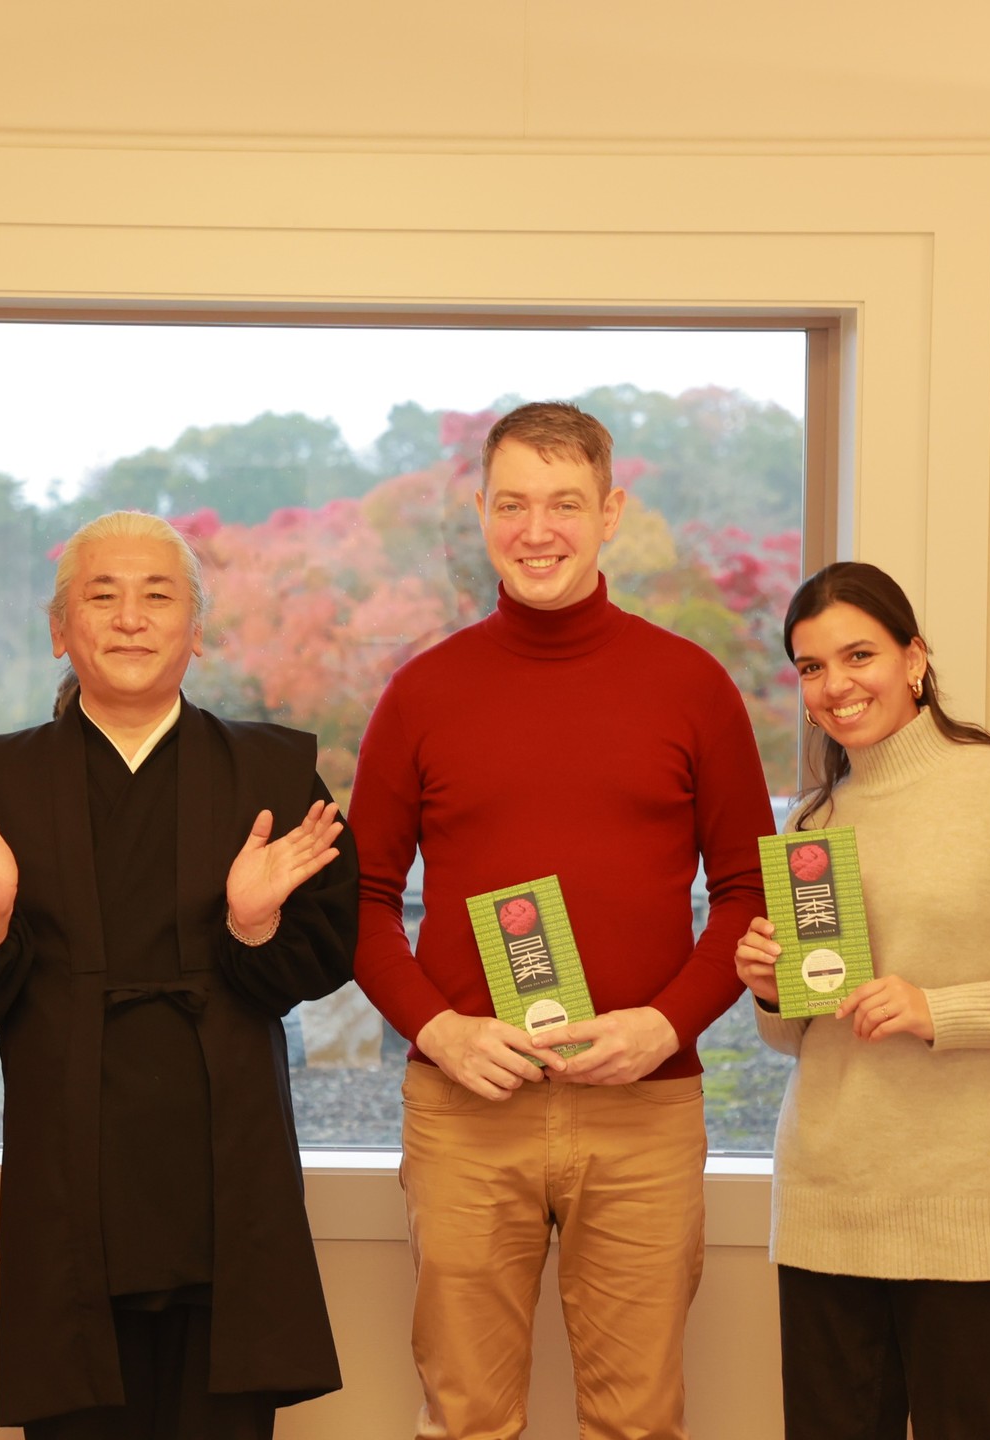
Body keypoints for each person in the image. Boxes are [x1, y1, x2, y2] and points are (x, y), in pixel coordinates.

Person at [350, 401, 774, 1440]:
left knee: (638, 1421)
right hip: (467, 1104)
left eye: (565, 504)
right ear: (483, 513)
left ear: (610, 510)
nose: (537, 529)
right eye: (513, 504)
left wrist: (666, 1025)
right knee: (466, 1418)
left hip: (646, 1109)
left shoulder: (694, 687)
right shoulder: (421, 693)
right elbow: (355, 902)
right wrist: (440, 1033)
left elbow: (750, 894)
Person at [0, 510, 357, 1439]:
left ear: (197, 627)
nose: (131, 618)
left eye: (159, 596)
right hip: (72, 1169)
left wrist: (253, 922)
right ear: (61, 630)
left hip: (227, 1169)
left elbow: (325, 947)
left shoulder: (274, 772)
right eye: (101, 596)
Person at [734, 561, 990, 1440]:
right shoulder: (811, 828)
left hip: (976, 1212)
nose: (835, 686)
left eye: (858, 655)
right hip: (828, 1208)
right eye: (811, 668)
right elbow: (802, 1035)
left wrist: (940, 1012)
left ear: (915, 659)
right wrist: (771, 993)